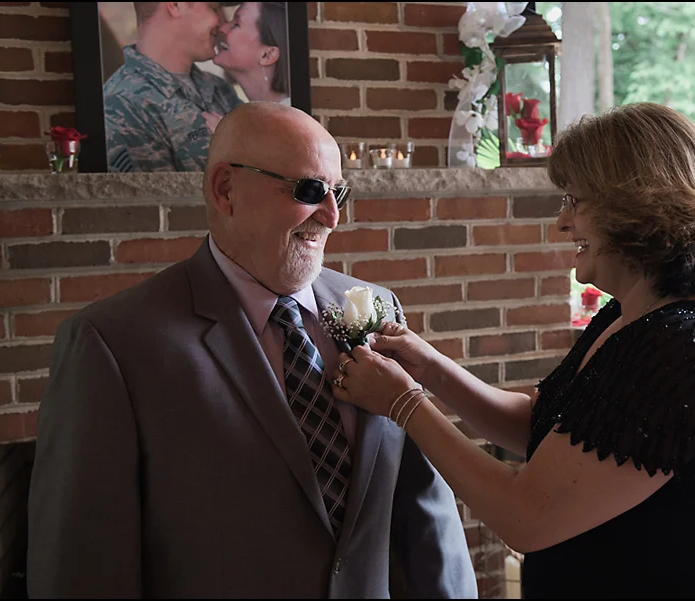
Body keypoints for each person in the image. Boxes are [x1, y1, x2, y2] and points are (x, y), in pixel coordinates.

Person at [27, 102, 478, 599]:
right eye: (310, 191)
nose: (332, 217)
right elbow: (84, 565)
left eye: (339, 193)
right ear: (226, 189)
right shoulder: (111, 344)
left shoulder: (375, 307)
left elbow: (423, 504)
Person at [331, 102, 695, 599]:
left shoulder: (687, 347)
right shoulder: (629, 315)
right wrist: (430, 367)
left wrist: (404, 404)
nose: (562, 221)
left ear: (634, 206)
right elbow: (542, 427)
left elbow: (526, 516)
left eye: (574, 201)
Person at [104, 2, 243, 173]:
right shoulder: (122, 106)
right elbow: (157, 190)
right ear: (176, 5)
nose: (223, 24)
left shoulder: (218, 88)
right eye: (213, 8)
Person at [202, 2, 291, 134]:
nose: (222, 27)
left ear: (267, 55)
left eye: (236, 24)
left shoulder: (287, 124)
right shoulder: (262, 117)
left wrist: (230, 141)